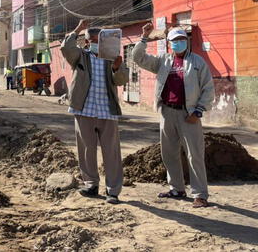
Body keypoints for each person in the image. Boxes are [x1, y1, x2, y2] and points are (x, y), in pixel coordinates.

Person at [133, 24, 214, 208]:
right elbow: (138, 58)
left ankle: (200, 194)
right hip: (167, 112)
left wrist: (199, 110)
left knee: (195, 155)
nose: (178, 43)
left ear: (186, 41)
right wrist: (144, 37)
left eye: (181, 40)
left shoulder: (198, 62)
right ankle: (177, 188)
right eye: (175, 41)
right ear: (169, 44)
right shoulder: (163, 61)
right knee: (169, 152)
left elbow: (208, 89)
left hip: (189, 114)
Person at [61, 19, 129, 204]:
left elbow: (122, 80)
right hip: (85, 110)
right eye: (92, 40)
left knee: (111, 152)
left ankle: (113, 191)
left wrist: (117, 68)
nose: (96, 43)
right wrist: (77, 29)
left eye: (99, 40)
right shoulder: (80, 56)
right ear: (86, 42)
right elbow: (66, 48)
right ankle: (91, 184)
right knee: (86, 150)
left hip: (107, 110)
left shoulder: (111, 58)